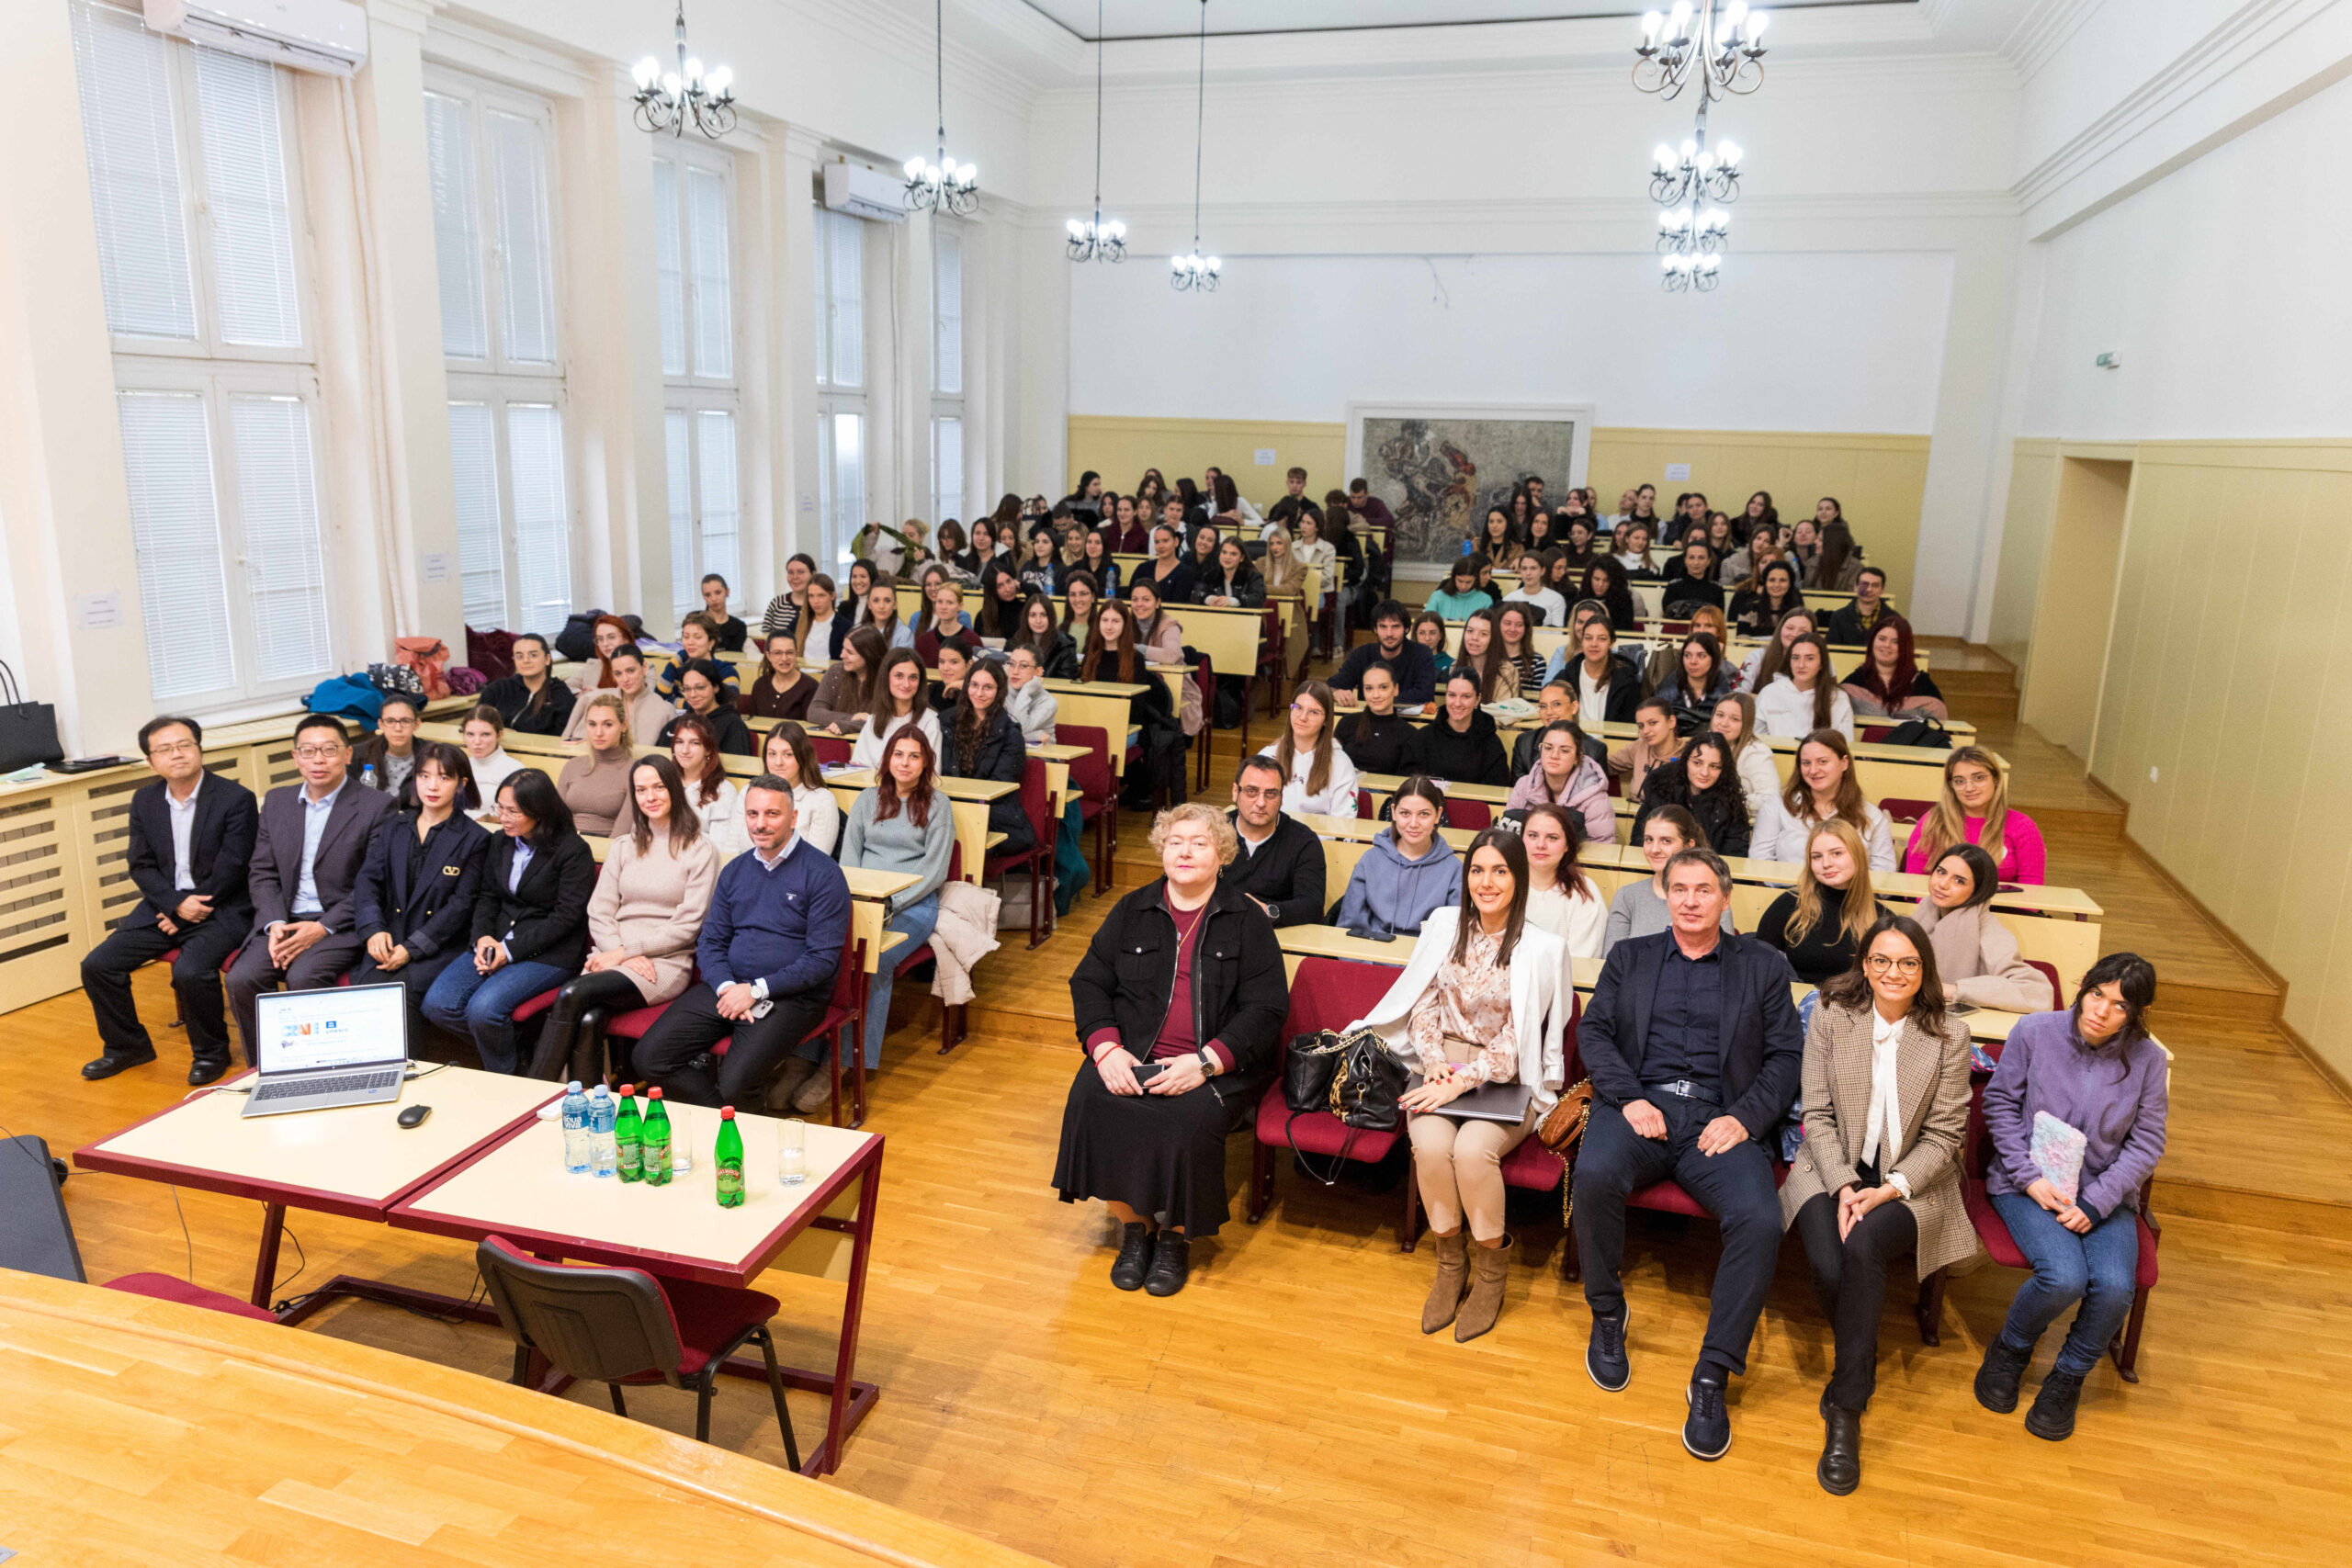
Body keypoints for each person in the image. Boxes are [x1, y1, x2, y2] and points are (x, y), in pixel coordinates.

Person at [1571, 846, 1803, 1462]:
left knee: (1760, 1218)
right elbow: (1594, 1032)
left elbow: (1786, 1057)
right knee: (1593, 1174)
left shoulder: (1762, 965)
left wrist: (1745, 1117)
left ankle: (1713, 1372)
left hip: (1720, 1119)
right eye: (1680, 889)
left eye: (1704, 890)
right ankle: (1608, 1313)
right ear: (1666, 895)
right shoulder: (1631, 956)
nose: (1691, 900)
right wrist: (1627, 1098)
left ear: (1726, 898)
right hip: (1639, 1106)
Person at [1056, 803, 1289, 1297]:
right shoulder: (1132, 909)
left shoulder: (1247, 919)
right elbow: (1089, 982)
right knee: (1092, 1100)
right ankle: (1135, 1229)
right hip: (1133, 1053)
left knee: (1187, 1122)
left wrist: (1206, 1062)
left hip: (1214, 1064)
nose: (1185, 852)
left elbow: (1267, 1009)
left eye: (1199, 843)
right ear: (1162, 850)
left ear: (1221, 854)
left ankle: (1175, 1240)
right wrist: (1106, 1049)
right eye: (1175, 842)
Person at [1345, 829, 1566, 1339]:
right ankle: (1450, 1264)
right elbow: (1422, 1003)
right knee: (1428, 1145)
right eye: (1477, 870)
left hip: (1503, 1076)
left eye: (1500, 871)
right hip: (1440, 1066)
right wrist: (1434, 1062)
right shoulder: (1445, 925)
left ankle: (1490, 1274)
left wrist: (1461, 1081)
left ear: (1519, 878)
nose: (1486, 882)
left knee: (1471, 1152)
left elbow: (1519, 1040)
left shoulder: (1542, 947)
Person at [1783, 916, 1973, 1495]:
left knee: (1863, 1244)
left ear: (1924, 969)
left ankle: (1847, 1405)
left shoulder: (1949, 1034)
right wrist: (1844, 1185)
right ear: (1865, 965)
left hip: (1912, 1178)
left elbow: (1945, 1135)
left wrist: (1889, 1188)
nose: (1894, 972)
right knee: (1827, 1263)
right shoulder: (1831, 1013)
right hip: (1831, 1164)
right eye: (1882, 960)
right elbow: (1816, 1113)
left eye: (1908, 962)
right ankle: (1858, 1357)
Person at [1974, 954, 2167, 1443]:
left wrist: (2097, 1202)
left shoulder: (2147, 1060)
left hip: (2104, 1193)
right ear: (2083, 988)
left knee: (2116, 1286)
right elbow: (1999, 1103)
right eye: (2097, 994)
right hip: (2028, 1183)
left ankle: (2068, 1377)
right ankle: (2011, 1350)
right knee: (2063, 1277)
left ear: (2138, 1013)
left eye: (2120, 1005)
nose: (2102, 1010)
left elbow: (2146, 1143)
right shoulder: (2034, 1031)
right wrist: (2028, 1178)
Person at [632, 776, 853, 1109]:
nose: (760, 824)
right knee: (649, 1059)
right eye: (753, 814)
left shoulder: (823, 874)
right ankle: (727, 1119)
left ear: (793, 818)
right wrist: (726, 987)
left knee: (735, 1084)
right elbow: (711, 942)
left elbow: (821, 960)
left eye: (772, 814)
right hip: (727, 987)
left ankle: (733, 1120)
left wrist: (755, 990)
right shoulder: (735, 870)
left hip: (792, 997)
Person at [79, 716, 260, 1084]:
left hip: (223, 906)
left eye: (184, 745)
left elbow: (234, 865)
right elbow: (141, 865)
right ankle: (127, 1047)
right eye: (164, 749)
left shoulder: (234, 798)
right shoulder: (145, 800)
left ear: (199, 749)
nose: (176, 754)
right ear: (150, 761)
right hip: (165, 905)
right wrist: (174, 906)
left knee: (190, 971)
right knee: (98, 965)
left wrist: (185, 909)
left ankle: (211, 1053)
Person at [528, 754, 722, 1085]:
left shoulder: (700, 850)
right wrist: (619, 952)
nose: (650, 797)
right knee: (588, 1020)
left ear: (674, 789)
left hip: (663, 965)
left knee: (571, 993)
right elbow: (599, 911)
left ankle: (534, 1093)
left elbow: (688, 926)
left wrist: (624, 953)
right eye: (641, 790)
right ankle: (590, 1103)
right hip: (614, 955)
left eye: (658, 787)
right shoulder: (623, 847)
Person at [226, 715, 393, 1063]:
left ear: (347, 754)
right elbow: (262, 871)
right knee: (243, 979)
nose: (319, 760)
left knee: (303, 977)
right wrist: (273, 923)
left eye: (329, 750)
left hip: (341, 923)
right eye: (308, 751)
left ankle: (316, 1066)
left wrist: (322, 928)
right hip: (284, 919)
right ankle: (266, 1067)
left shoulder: (377, 806)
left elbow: (375, 882)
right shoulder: (277, 801)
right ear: (295, 757)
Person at [421, 770, 594, 1074]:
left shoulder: (573, 850)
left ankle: (508, 1078)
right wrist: (483, 938)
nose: (503, 817)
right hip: (497, 941)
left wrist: (509, 951)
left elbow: (566, 916)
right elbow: (487, 896)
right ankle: (520, 1054)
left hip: (549, 952)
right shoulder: (500, 841)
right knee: (438, 1004)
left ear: (539, 811)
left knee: (484, 1011)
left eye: (513, 811)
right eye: (500, 808)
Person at [350, 741, 492, 1028]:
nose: (432, 786)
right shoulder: (395, 826)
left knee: (398, 994)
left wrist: (412, 948)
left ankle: (410, 1059)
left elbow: (461, 906)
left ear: (461, 784)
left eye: (444, 777)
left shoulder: (475, 838)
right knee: (366, 991)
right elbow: (368, 881)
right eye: (424, 776)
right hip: (390, 937)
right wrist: (374, 930)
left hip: (439, 947)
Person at [1911, 843, 2057, 1012]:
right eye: (1941, 872)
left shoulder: (1989, 930)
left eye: (1959, 881)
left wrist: (1954, 990)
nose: (1943, 884)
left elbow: (2038, 993)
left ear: (1978, 890)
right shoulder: (1925, 911)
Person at [1756, 819, 1892, 987]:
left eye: (1837, 853)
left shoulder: (1881, 917)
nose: (1826, 864)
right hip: (1793, 1000)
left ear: (1857, 856)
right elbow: (1760, 966)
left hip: (1855, 1001)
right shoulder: (1788, 904)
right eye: (1817, 857)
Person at [1085, 598, 1191, 812]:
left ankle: (1103, 796)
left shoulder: (1134, 658)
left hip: (1128, 726)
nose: (1109, 626)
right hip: (1095, 723)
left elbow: (1137, 707)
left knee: (1100, 744)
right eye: (1105, 620)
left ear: (1125, 625)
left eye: (1115, 621)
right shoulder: (1091, 654)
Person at [1333, 777, 1462, 936]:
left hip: (1427, 950)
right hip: (1372, 949)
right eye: (1405, 813)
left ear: (1438, 815)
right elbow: (1349, 928)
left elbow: (1453, 934)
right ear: (1393, 812)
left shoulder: (1454, 869)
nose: (1413, 823)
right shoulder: (1370, 859)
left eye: (1424, 814)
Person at [1754, 730, 1898, 871]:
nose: (1813, 770)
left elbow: (1883, 871)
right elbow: (1759, 861)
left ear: (1844, 763)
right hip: (1789, 886)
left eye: (1822, 762)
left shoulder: (1871, 815)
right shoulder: (1778, 805)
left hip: (1851, 887)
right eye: (1806, 763)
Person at [1902, 746, 2046, 882]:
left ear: (1995, 779)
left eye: (1979, 778)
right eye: (1959, 781)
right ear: (1951, 786)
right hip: (1939, 901)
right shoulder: (1933, 821)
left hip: (2001, 902)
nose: (1969, 788)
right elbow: (1914, 884)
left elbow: (2032, 891)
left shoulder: (2023, 826)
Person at [1603, 807, 1734, 953]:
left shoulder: (1712, 898)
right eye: (1649, 839)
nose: (1655, 849)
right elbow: (1612, 959)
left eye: (1666, 841)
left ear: (1689, 845)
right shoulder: (1627, 896)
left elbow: (1725, 958)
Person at [940, 659, 1035, 857]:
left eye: (988, 687)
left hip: (993, 816)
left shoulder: (1011, 735)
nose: (979, 693)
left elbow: (997, 788)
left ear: (999, 691)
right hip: (949, 808)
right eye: (974, 685)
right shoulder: (947, 721)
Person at [1221, 754, 1326, 927]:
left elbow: (1312, 905)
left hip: (1276, 933)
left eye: (1271, 794)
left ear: (1281, 798)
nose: (1261, 802)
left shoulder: (1303, 841)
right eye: (1251, 791)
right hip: (1218, 927)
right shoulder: (1212, 832)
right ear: (1235, 792)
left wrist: (1269, 912)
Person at [1633, 732, 1753, 858]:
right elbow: (1639, 841)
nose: (1704, 773)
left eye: (1714, 766)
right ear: (1686, 761)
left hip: (1708, 869)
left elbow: (1735, 856)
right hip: (1657, 865)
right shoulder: (1660, 789)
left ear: (1723, 770)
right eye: (1697, 763)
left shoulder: (1732, 803)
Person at [1520, 802, 1607, 959]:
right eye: (1533, 835)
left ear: (1567, 845)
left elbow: (1581, 961)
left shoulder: (1584, 893)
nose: (1540, 845)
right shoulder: (1502, 884)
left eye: (1552, 838)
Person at [1259, 680, 1359, 816]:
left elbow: (1344, 821)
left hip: (1320, 830)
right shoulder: (1267, 756)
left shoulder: (1340, 763)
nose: (1303, 717)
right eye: (1298, 708)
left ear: (1326, 720)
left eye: (1314, 712)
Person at [1506, 720, 1613, 843]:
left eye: (1564, 750)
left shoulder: (1595, 798)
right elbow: (1507, 836)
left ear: (1577, 757)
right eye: (1548, 748)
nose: (1554, 755)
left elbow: (1601, 847)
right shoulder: (1524, 785)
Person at [660, 714, 750, 859]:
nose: (685, 750)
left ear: (708, 749)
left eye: (695, 743)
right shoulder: (662, 782)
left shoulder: (723, 790)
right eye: (679, 742)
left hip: (700, 862)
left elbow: (719, 847)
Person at [1330, 602, 1441, 707]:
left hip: (1409, 718)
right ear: (1375, 629)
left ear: (1406, 629)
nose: (1389, 634)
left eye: (1395, 626)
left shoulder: (1421, 653)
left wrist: (1381, 701)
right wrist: (1337, 692)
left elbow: (1425, 694)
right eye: (1383, 626)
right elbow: (1333, 685)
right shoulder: (1362, 654)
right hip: (1370, 718)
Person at [556, 694, 636, 835]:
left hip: (607, 844)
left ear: (624, 725)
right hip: (567, 842)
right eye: (592, 724)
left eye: (608, 724)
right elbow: (555, 819)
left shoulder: (635, 771)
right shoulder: (572, 766)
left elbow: (621, 835)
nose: (598, 733)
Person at [851, 649, 943, 770]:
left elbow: (932, 772)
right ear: (886, 678)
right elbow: (858, 768)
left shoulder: (930, 721)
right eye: (899, 676)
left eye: (913, 677)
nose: (906, 684)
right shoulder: (873, 720)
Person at [760, 721, 842, 856]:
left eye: (788, 754)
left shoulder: (822, 800)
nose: (778, 762)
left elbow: (816, 860)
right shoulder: (749, 793)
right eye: (772, 754)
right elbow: (732, 849)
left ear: (802, 757)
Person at [1756, 634, 1856, 742]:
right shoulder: (1770, 693)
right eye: (1795, 658)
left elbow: (1845, 743)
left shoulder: (1838, 697)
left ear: (1822, 664)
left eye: (1810, 658)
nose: (1801, 665)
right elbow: (1756, 738)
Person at [1843, 618, 1947, 722]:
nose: (1887, 645)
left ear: (1905, 647)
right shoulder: (1852, 685)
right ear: (1872, 642)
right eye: (1882, 639)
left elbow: (1940, 727)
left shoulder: (1924, 688)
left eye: (1896, 642)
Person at [1417, 671, 1510, 787]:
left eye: (1466, 696)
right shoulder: (1423, 738)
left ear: (1477, 699)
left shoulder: (1491, 743)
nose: (1457, 703)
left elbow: (1497, 789)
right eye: (1452, 695)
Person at [565, 646, 673, 744]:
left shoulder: (664, 711)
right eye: (618, 673)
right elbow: (566, 742)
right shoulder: (593, 699)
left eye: (630, 671)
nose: (625, 679)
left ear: (644, 668)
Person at [481, 633, 574, 737]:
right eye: (519, 656)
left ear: (547, 659)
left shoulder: (561, 695)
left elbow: (562, 739)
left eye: (533, 655)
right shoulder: (497, 689)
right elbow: (475, 725)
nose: (526, 661)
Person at [1510, 679, 1608, 778]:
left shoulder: (1595, 750)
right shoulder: (1524, 743)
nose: (1549, 712)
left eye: (1557, 704)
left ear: (1574, 707)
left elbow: (1597, 787)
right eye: (1543, 706)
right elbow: (1518, 786)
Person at [1337, 664, 1423, 776]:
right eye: (1369, 688)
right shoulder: (1347, 723)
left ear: (1396, 689)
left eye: (1383, 687)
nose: (1375, 695)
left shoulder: (1409, 734)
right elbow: (1332, 763)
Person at [1555, 616, 1642, 726]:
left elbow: (1631, 725)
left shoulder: (1627, 681)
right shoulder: (1565, 677)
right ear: (1582, 641)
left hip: (1612, 736)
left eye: (1602, 639)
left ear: (1611, 643)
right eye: (1588, 638)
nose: (1594, 644)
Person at [1711, 694, 1780, 824]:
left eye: (1734, 719)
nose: (1723, 723)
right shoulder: (1703, 745)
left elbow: (1770, 798)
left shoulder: (1756, 752)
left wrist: (1729, 801)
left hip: (1739, 823)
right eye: (1720, 715)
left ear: (1746, 723)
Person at [809, 626, 887, 736]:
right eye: (843, 649)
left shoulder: (888, 680)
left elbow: (886, 722)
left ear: (869, 655)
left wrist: (849, 725)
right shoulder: (836, 672)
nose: (842, 655)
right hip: (836, 740)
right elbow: (814, 712)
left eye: (850, 652)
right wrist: (851, 718)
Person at [1608, 696, 1687, 800]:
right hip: (1632, 809)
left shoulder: (1689, 754)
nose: (1645, 731)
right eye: (1641, 726)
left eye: (1652, 723)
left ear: (1671, 722)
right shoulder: (1640, 746)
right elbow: (1606, 765)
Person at [655, 614, 739, 705]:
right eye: (686, 637)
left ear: (711, 642)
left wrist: (679, 702)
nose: (690, 642)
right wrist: (673, 663)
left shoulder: (726, 671)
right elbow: (659, 700)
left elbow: (727, 705)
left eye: (697, 637)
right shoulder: (678, 666)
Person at [350, 694, 422, 800]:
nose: (398, 728)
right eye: (390, 721)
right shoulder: (357, 755)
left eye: (405, 721)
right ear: (380, 724)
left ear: (416, 724)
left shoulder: (431, 754)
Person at [1652, 633, 1737, 716]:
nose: (1693, 661)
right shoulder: (1667, 690)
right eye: (1687, 655)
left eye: (1701, 656)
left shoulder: (1724, 693)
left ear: (1714, 659)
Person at [740, 634, 819, 723]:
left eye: (789, 652)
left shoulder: (811, 687)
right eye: (777, 653)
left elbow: (809, 726)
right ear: (769, 656)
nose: (784, 658)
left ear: (796, 654)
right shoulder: (760, 684)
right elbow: (753, 721)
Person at [1006, 589, 1078, 679]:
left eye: (1043, 615)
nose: (1038, 621)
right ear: (1026, 618)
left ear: (1051, 617)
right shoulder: (1016, 641)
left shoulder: (1065, 647)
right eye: (1033, 615)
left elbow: (1065, 682)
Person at [1731, 559, 1806, 642]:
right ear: (1765, 583)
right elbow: (1742, 642)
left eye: (1782, 580)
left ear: (1790, 584)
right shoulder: (1748, 610)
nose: (1777, 585)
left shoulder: (1797, 614)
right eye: (1772, 580)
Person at [1824, 565, 1894, 647]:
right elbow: (1832, 650)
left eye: (1875, 585)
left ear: (1883, 589)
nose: (1869, 589)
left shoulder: (1893, 619)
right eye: (1864, 584)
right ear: (1855, 587)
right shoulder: (1839, 617)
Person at [570, 615, 639, 694]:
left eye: (611, 637)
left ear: (626, 639)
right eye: (600, 639)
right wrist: (581, 694)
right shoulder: (593, 665)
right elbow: (567, 687)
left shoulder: (643, 668)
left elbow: (637, 695)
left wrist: (598, 693)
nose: (605, 644)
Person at [1004, 644, 1060, 742]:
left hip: (1041, 751)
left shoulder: (1048, 703)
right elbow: (991, 732)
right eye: (1012, 664)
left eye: (1023, 666)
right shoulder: (1001, 693)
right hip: (1008, 749)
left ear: (1038, 671)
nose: (1015, 671)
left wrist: (1025, 692)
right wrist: (1036, 736)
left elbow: (1019, 730)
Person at [1502, 549, 1567, 628]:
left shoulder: (1556, 599)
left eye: (1533, 568)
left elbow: (1558, 632)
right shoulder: (1509, 599)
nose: (1528, 573)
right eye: (1524, 568)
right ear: (1520, 570)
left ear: (1542, 571)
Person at [1133, 523, 1196, 604]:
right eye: (1157, 542)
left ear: (1176, 541)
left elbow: (1178, 605)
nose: (1161, 546)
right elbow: (1131, 597)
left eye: (1165, 541)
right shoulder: (1142, 568)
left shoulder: (1185, 573)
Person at [1193, 536, 1264, 609]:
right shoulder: (1210, 575)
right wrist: (1208, 598)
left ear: (1242, 558)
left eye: (1233, 554)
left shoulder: (1253, 577)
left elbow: (1257, 599)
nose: (1227, 557)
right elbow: (1197, 593)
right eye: (1224, 552)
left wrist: (1232, 601)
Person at [1662, 540, 1725, 618]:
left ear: (1708, 561)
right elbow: (1668, 618)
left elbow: (1718, 619)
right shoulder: (1673, 587)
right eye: (1691, 558)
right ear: (1685, 560)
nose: (1696, 563)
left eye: (1701, 558)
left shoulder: (1717, 590)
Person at [760, 554, 816, 640]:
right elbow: (766, 637)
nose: (795, 577)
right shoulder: (777, 603)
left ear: (813, 574)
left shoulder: (820, 603)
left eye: (801, 572)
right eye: (791, 572)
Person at [1495, 604, 1544, 696]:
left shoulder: (1537, 661)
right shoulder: (1488, 657)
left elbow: (1536, 698)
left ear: (1526, 628)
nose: (1513, 629)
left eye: (1519, 625)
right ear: (1498, 625)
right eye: (1508, 623)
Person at [697, 573, 750, 652]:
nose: (713, 598)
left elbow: (734, 655)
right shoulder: (696, 621)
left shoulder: (738, 626)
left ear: (727, 592)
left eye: (718, 592)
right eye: (708, 595)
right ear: (703, 597)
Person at [1810, 519, 1864, 592]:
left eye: (1820, 540)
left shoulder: (1856, 568)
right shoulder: (1812, 563)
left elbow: (1851, 595)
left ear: (1832, 544)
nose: (1815, 542)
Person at [864, 578, 913, 651]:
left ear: (895, 605)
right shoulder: (859, 630)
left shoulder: (905, 634)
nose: (881, 606)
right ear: (869, 604)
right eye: (876, 600)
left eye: (887, 601)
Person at [1412, 611, 1453, 683]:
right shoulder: (1407, 661)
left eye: (1432, 633)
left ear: (1440, 635)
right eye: (1422, 633)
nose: (1427, 638)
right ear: (1416, 635)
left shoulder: (1451, 664)